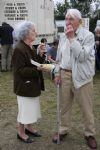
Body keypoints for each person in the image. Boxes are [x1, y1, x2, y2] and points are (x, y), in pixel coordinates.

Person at [52, 9, 97, 149]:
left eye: (71, 19)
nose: (67, 22)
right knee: (64, 106)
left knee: (86, 108)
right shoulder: (63, 36)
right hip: (64, 74)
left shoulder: (88, 36)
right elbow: (59, 57)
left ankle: (90, 134)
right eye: (66, 18)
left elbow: (82, 56)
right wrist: (57, 73)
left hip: (82, 78)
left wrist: (72, 38)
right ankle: (63, 129)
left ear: (79, 21)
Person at [12, 21, 46, 143]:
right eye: (33, 30)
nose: (36, 33)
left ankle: (29, 127)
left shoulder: (30, 46)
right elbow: (20, 70)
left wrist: (41, 55)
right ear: (26, 33)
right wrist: (37, 69)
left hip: (32, 85)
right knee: (24, 110)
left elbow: (35, 63)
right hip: (24, 86)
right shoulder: (19, 49)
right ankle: (21, 133)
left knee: (32, 109)